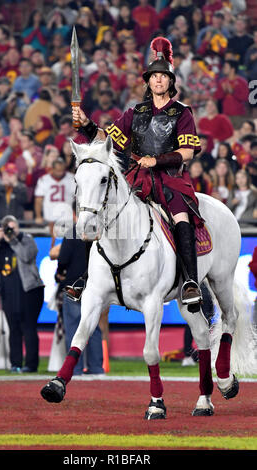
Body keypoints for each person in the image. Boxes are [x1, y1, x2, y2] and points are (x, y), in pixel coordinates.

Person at [71, 36, 203, 307]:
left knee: (180, 218)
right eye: (154, 76)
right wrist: (85, 125)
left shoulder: (182, 113)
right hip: (137, 178)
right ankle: (87, 278)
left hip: (170, 179)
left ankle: (190, 280)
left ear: (170, 82)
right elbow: (105, 137)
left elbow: (188, 152)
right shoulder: (135, 111)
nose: (158, 81)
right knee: (99, 210)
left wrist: (158, 160)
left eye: (163, 77)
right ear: (148, 81)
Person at [0, 215, 44, 373]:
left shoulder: (27, 239)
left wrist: (12, 239)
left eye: (13, 228)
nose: (11, 231)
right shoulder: (1, 244)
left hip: (29, 291)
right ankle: (15, 364)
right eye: (8, 229)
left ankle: (31, 365)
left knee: (29, 327)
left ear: (18, 227)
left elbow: (26, 256)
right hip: (8, 293)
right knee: (13, 328)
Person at [55, 204, 104, 376]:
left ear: (75, 214)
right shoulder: (99, 231)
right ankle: (96, 367)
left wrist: (59, 273)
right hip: (94, 286)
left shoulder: (72, 232)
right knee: (94, 327)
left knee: (74, 327)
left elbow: (63, 259)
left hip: (73, 286)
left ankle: (74, 368)